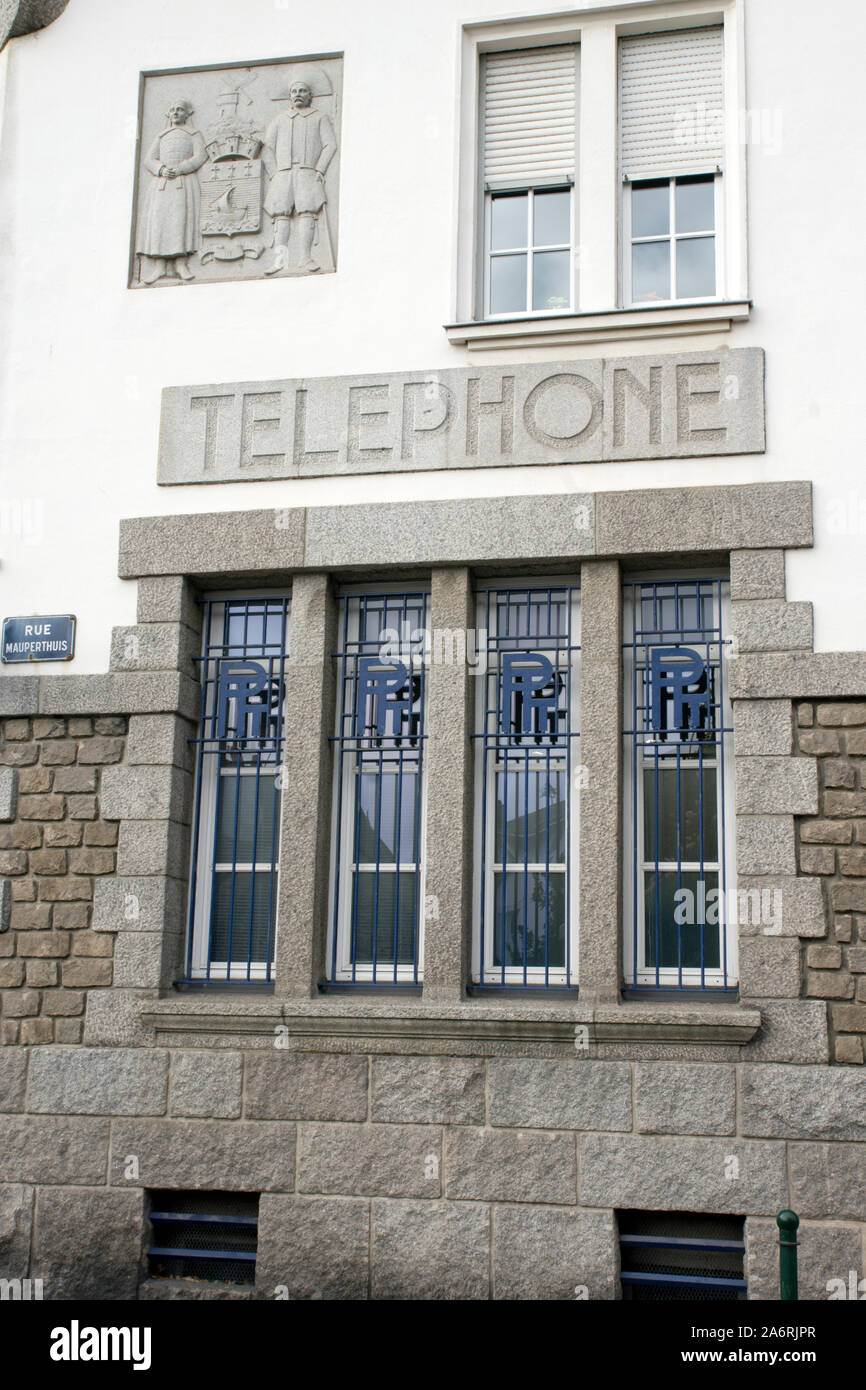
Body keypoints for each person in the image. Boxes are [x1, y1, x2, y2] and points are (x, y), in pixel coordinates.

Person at [262, 77, 337, 275]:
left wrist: (319, 169)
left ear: (310, 95)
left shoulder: (319, 117)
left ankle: (305, 258)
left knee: (307, 212)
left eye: (303, 91)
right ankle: (280, 261)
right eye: (294, 91)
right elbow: (267, 148)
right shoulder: (279, 119)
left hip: (307, 172)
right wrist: (274, 173)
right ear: (289, 96)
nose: (298, 94)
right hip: (283, 173)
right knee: (281, 215)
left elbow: (330, 145)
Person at [137, 100, 208, 284]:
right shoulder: (162, 135)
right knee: (159, 222)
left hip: (182, 183)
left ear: (187, 114)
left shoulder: (193, 133)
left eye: (179, 109)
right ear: (168, 114)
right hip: (162, 184)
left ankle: (181, 264)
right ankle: (159, 267)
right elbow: (149, 159)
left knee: (181, 220)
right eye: (172, 110)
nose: (175, 113)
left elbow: (201, 155)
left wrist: (182, 168)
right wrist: (161, 169)